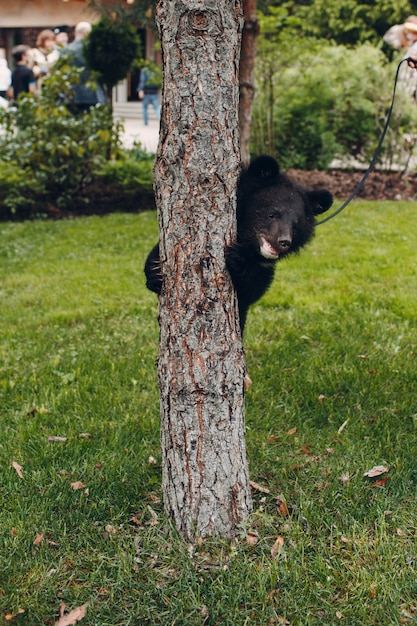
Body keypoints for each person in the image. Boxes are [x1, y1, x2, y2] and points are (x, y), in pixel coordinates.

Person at [60, 21, 106, 114]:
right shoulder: (93, 50)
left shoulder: (65, 51)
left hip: (72, 94)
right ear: (85, 33)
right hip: (92, 93)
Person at [137, 59, 161, 126]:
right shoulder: (156, 70)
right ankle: (159, 119)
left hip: (147, 92)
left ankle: (145, 123)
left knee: (145, 108)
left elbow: (142, 81)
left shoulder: (144, 70)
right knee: (156, 107)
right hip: (154, 92)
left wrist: (140, 90)